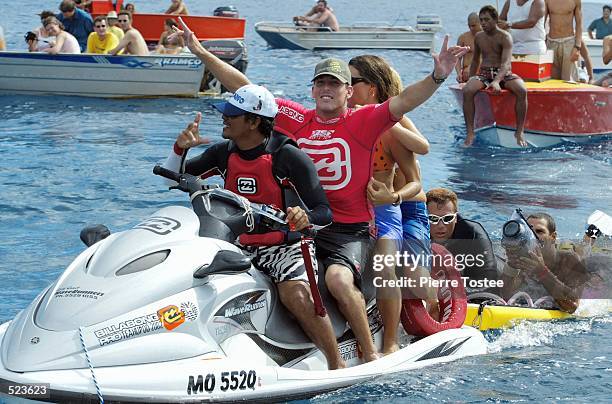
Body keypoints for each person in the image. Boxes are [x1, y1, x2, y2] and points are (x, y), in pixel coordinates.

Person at [171, 20, 468, 362]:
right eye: (321, 83)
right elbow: (246, 88)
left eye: (336, 84)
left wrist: (438, 76)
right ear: (312, 90)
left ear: (348, 91)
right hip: (303, 227)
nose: (327, 89)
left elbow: (403, 103)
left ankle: (371, 353)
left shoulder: (364, 120)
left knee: (340, 281)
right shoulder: (298, 119)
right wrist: (199, 51)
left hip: (348, 230)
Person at [162, 84, 345, 370]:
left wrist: (304, 217)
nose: (224, 119)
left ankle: (336, 365)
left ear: (254, 121)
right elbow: (171, 179)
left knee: (295, 295)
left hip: (284, 246)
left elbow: (325, 212)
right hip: (234, 244)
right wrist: (180, 148)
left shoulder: (288, 156)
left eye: (232, 115)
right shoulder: (223, 152)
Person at [347, 55, 435, 354]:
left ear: (371, 87)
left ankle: (437, 304)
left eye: (351, 81)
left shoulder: (393, 117)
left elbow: (423, 147)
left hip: (407, 205)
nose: (345, 87)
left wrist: (382, 119)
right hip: (372, 207)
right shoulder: (343, 116)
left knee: (410, 275)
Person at [463, 5, 528, 148]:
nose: (483, 23)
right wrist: (470, 79)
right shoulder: (479, 37)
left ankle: (519, 131)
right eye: (481, 20)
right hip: (485, 73)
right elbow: (475, 61)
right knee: (467, 91)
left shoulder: (505, 37)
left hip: (504, 74)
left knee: (522, 90)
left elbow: (505, 64)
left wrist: (497, 81)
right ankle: (470, 133)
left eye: (486, 19)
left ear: (495, 19)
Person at [501, 212, 587, 313]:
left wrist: (541, 271)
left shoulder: (569, 260)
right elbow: (504, 299)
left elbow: (571, 306)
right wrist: (510, 268)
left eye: (539, 231)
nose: (533, 236)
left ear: (553, 237)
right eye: (529, 232)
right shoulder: (522, 260)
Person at [425, 188, 499, 294]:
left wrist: (448, 291)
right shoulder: (417, 234)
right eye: (433, 219)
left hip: (470, 281)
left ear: (456, 218)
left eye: (447, 219)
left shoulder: (473, 234)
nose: (440, 226)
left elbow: (490, 284)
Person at [544, 0, 583, 81]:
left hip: (569, 43)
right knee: (552, 81)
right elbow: (541, 23)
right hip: (551, 43)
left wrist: (577, 47)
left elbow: (579, 24)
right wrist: (542, 43)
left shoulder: (576, 1)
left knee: (568, 80)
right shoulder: (547, 1)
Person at [456, 13, 482, 83]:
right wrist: (458, 73)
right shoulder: (463, 38)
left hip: (481, 73)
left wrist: (471, 67)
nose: (471, 28)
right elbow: (457, 58)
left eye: (473, 26)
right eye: (469, 26)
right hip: (465, 75)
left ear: (480, 23)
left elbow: (486, 57)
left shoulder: (486, 38)